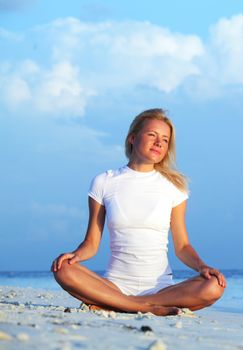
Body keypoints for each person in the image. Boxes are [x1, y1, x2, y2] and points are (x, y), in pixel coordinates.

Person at [52, 108, 226, 316]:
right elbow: (91, 243)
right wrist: (75, 255)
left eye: (165, 139)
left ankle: (123, 304)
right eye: (152, 135)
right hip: (114, 286)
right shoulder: (104, 181)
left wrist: (202, 267)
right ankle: (143, 307)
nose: (159, 143)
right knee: (63, 269)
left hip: (162, 290)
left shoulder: (174, 187)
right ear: (132, 138)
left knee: (214, 285)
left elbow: (182, 246)